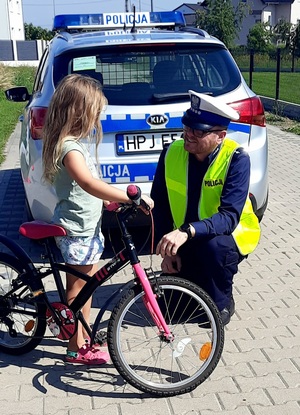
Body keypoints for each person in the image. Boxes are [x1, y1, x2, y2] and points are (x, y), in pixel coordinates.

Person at [42, 74, 153, 364]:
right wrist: (130, 196)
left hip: (87, 228)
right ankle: (74, 348)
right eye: (95, 114)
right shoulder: (69, 148)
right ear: (78, 112)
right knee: (78, 291)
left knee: (86, 286)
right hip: (76, 231)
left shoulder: (74, 143)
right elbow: (88, 183)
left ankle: (81, 338)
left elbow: (87, 188)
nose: (97, 121)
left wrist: (109, 201)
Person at [151, 90, 261, 326]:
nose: (189, 135)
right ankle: (196, 282)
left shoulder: (237, 158)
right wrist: (169, 251)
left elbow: (229, 217)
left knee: (214, 249)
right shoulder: (171, 152)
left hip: (224, 238)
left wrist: (186, 231)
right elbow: (159, 204)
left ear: (220, 136)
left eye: (198, 131)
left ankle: (222, 302)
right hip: (186, 237)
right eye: (187, 126)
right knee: (168, 310)